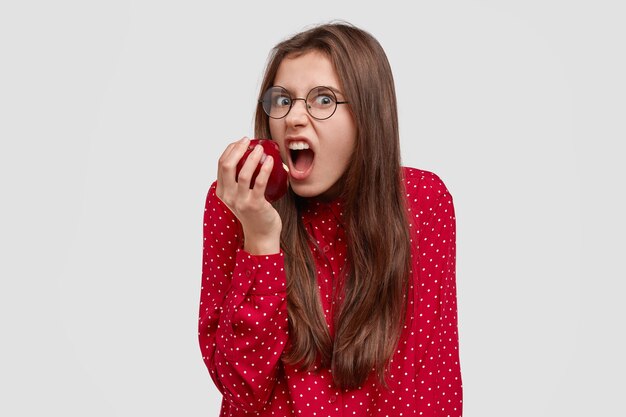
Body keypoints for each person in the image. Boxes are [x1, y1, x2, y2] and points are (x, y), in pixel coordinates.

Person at [198, 21, 463, 417]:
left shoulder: (422, 203)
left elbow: (426, 383)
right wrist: (261, 239)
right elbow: (241, 390)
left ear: (368, 115)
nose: (294, 119)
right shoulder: (236, 201)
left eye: (323, 100)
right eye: (283, 100)